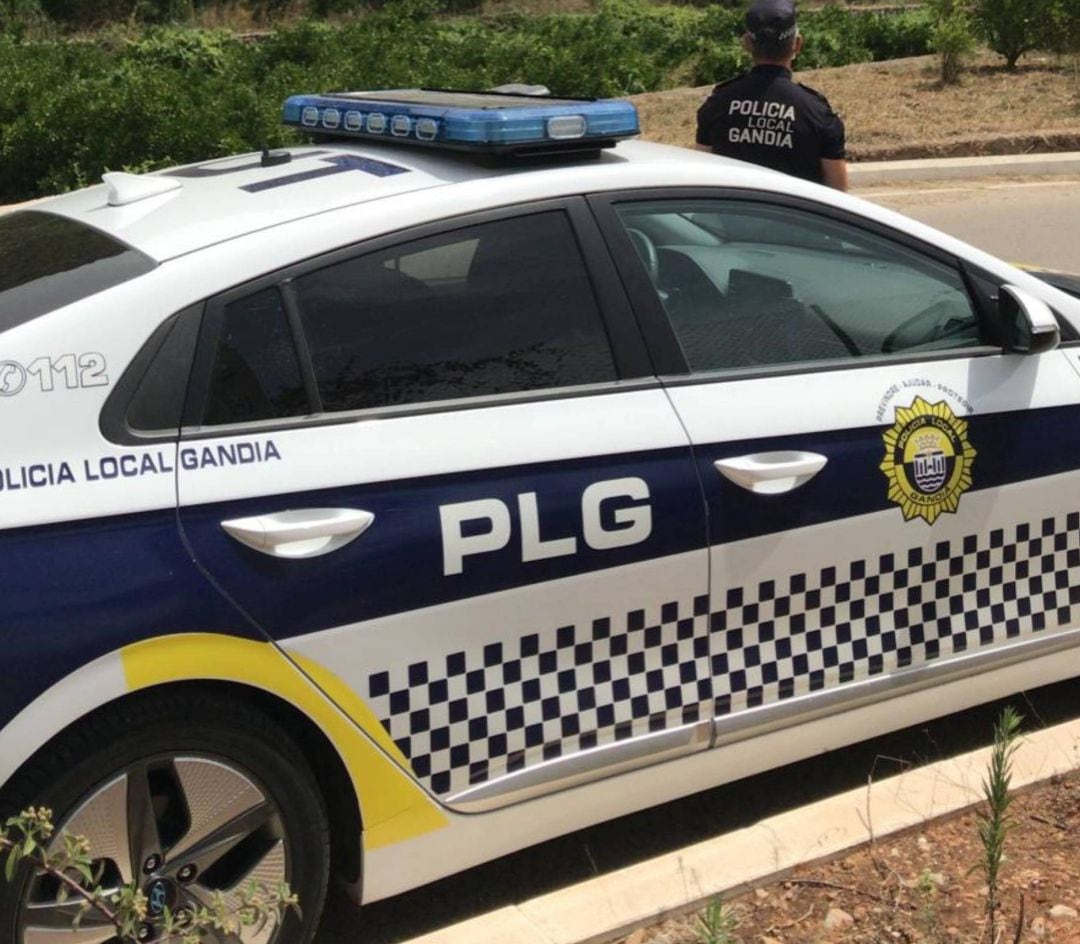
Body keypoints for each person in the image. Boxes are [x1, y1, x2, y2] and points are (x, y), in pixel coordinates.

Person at [695, 0, 848, 191]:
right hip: (792, 219)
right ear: (798, 44)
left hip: (728, 219)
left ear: (747, 43)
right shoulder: (816, 112)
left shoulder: (717, 104)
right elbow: (838, 193)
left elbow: (702, 177)